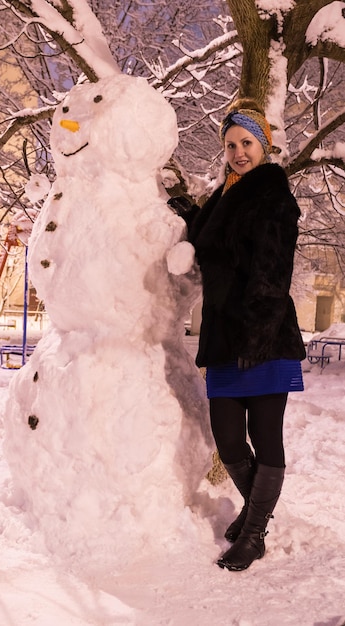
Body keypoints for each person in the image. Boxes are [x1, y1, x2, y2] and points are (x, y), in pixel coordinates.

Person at [169, 98, 306, 571]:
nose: (238, 152)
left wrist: (257, 334)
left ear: (263, 145)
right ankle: (255, 514)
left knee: (265, 437)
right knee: (228, 439)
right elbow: (204, 239)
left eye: (247, 143)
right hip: (225, 338)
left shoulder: (273, 196)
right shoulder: (226, 195)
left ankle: (253, 534)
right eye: (231, 144)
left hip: (263, 337)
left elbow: (273, 274)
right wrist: (187, 208)